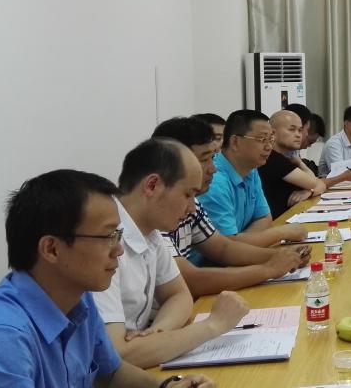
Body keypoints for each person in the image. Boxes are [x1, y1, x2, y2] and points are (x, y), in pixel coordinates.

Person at [0, 170, 214, 387]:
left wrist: (166, 385)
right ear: (51, 249)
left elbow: (111, 374)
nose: (119, 250)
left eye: (118, 235)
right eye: (108, 237)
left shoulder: (78, 300)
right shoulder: (1, 338)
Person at [92, 139, 250, 368]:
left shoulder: (151, 231)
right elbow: (117, 357)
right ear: (152, 185)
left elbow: (179, 295)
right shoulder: (103, 241)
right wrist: (213, 325)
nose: (192, 207)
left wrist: (158, 333)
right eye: (188, 194)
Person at [153, 117, 309, 296]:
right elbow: (190, 281)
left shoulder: (191, 202)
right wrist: (268, 269)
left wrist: (283, 257)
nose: (213, 168)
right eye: (205, 159)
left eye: (213, 157)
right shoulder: (156, 217)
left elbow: (224, 248)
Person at [197, 110, 308, 248]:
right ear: (235, 142)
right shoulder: (214, 182)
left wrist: (241, 241)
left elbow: (265, 219)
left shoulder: (251, 169)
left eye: (271, 139)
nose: (269, 147)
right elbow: (227, 247)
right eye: (262, 139)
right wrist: (282, 232)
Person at [259, 110, 328, 217]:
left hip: (292, 217)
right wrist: (311, 189)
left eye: (300, 130)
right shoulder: (272, 158)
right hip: (277, 221)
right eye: (292, 129)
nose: (298, 135)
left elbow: (321, 185)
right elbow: (314, 183)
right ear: (273, 133)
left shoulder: (290, 158)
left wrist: (309, 191)